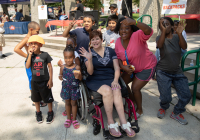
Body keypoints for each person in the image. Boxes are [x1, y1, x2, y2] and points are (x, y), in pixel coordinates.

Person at [80, 30, 135, 138]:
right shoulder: (88, 53)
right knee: (108, 90)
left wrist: (115, 80)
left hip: (110, 78)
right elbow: (90, 72)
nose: (95, 41)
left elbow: (116, 68)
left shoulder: (110, 50)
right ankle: (110, 122)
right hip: (95, 80)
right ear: (90, 41)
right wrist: (89, 59)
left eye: (97, 38)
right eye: (92, 39)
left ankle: (124, 123)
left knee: (116, 89)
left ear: (101, 39)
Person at [114, 17, 157, 118]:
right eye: (121, 28)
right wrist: (123, 67)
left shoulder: (137, 35)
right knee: (122, 83)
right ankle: (133, 100)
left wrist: (135, 22)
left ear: (132, 29)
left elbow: (149, 31)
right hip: (132, 68)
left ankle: (140, 109)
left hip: (147, 66)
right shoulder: (118, 42)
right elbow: (118, 58)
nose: (123, 31)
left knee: (135, 88)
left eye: (127, 28)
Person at [156, 17, 191, 125]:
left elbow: (184, 47)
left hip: (177, 72)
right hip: (163, 72)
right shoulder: (159, 38)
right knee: (166, 97)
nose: (164, 26)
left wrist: (180, 34)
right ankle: (164, 107)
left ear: (172, 26)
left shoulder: (177, 37)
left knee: (186, 95)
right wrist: (162, 32)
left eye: (166, 24)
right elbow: (159, 46)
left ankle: (177, 112)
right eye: (161, 25)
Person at [14, 21, 47, 107]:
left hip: (35, 62)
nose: (38, 33)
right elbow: (16, 49)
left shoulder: (32, 39)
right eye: (37, 31)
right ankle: (35, 99)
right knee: (32, 80)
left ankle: (38, 97)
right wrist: (28, 56)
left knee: (37, 78)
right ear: (31, 29)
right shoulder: (27, 38)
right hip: (30, 62)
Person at [26, 35, 54, 124]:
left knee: (48, 98)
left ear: (40, 45)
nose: (33, 45)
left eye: (35, 44)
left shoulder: (45, 54)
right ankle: (38, 113)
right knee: (36, 99)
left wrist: (50, 80)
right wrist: (30, 54)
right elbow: (27, 66)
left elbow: (50, 67)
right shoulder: (30, 55)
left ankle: (50, 112)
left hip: (45, 81)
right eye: (31, 44)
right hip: (34, 81)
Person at [59, 45, 82, 129]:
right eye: (66, 57)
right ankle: (68, 118)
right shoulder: (62, 67)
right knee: (67, 103)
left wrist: (78, 75)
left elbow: (81, 79)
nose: (68, 60)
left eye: (70, 57)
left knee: (74, 103)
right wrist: (60, 77)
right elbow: (60, 76)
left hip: (74, 89)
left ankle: (74, 119)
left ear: (73, 57)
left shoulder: (77, 67)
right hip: (65, 89)